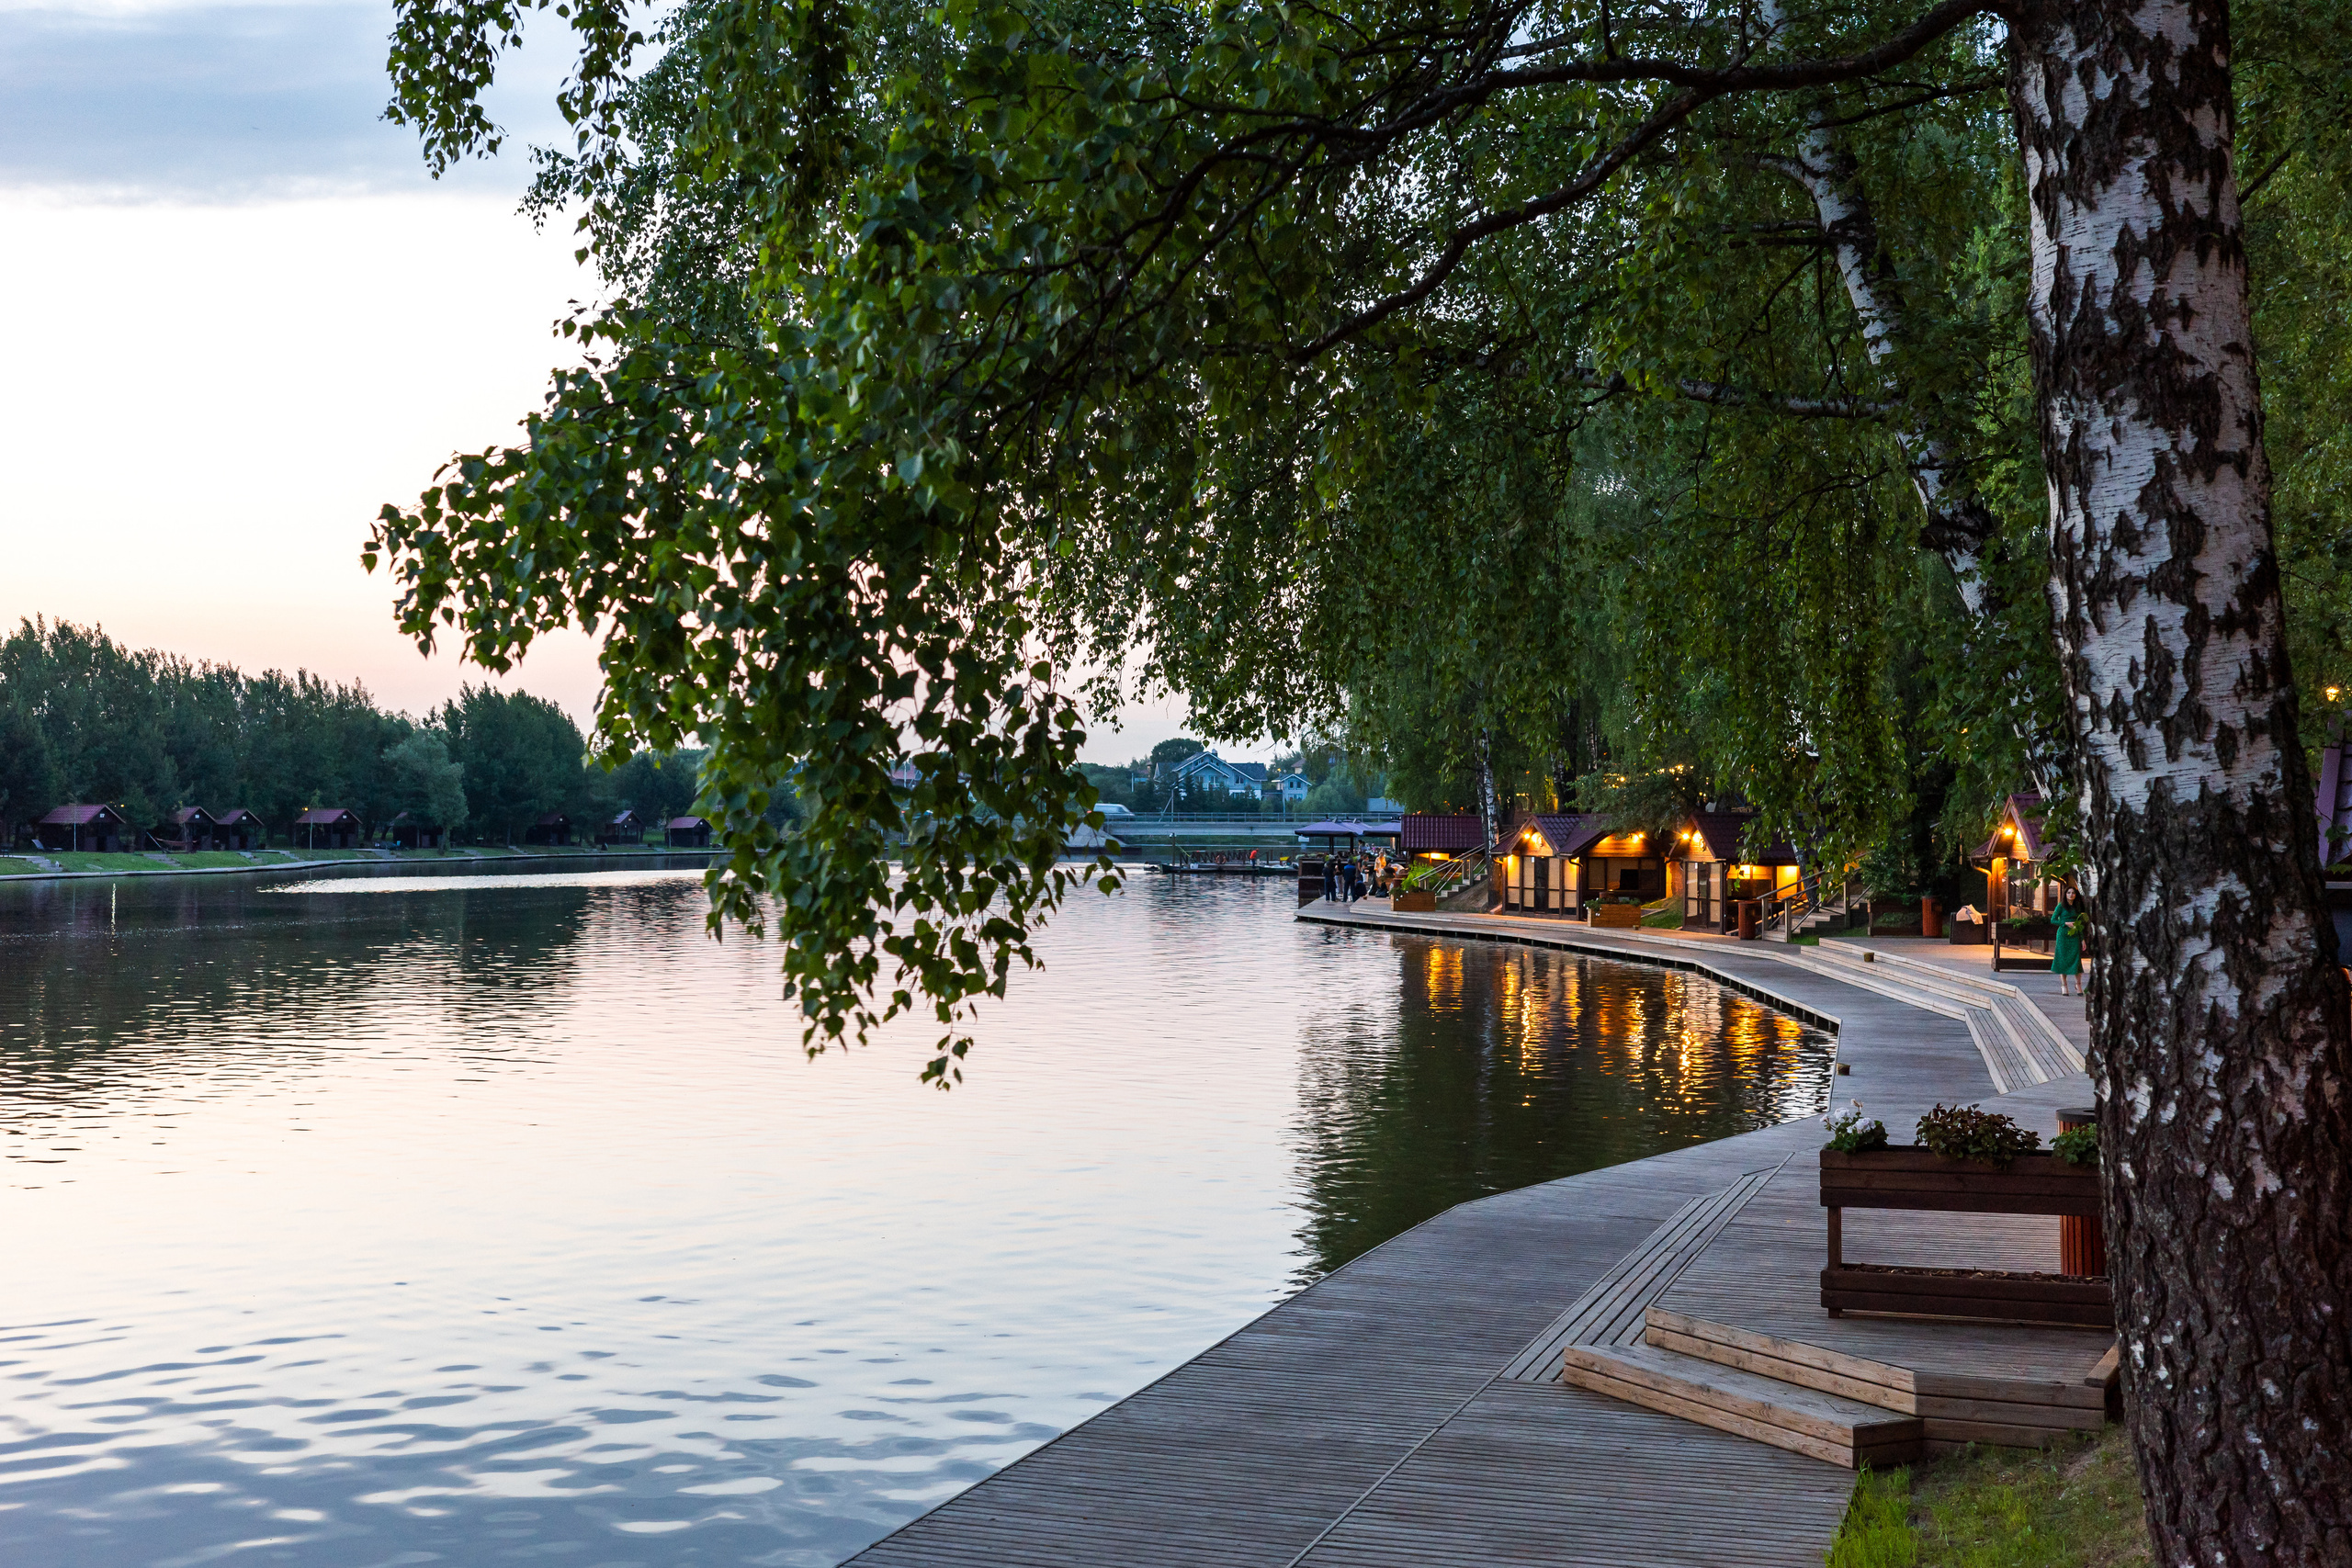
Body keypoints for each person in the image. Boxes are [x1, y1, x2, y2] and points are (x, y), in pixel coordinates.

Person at [2051, 886, 2086, 997]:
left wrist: (2082, 939)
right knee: (2063, 959)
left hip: (2075, 935)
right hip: (2063, 935)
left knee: (2076, 959)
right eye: (2069, 893)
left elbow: (2080, 924)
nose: (2071, 895)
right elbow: (2053, 920)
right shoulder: (2061, 906)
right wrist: (2065, 923)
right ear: (2065, 894)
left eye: (2073, 893)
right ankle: (2064, 985)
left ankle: (2078, 984)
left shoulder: (2078, 907)